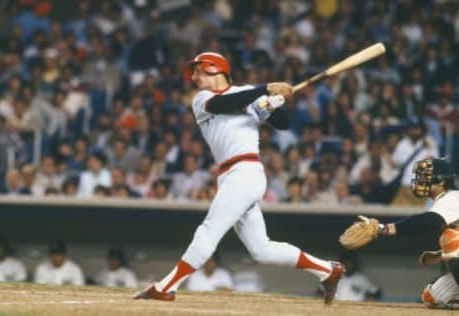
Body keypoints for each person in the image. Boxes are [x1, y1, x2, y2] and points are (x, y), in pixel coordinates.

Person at [133, 52, 344, 304]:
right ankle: (327, 270)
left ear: (213, 68)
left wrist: (273, 107)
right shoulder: (202, 99)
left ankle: (166, 286)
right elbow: (226, 104)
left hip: (246, 172)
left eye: (198, 70)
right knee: (261, 250)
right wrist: (264, 91)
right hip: (230, 175)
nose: (193, 76)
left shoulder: (250, 93)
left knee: (209, 231)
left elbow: (284, 124)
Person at [345, 158, 459, 309]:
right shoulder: (445, 201)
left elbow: (428, 221)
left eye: (426, 177)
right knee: (432, 298)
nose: (420, 181)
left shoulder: (452, 197)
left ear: (441, 183)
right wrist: (440, 254)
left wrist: (384, 228)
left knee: (449, 238)